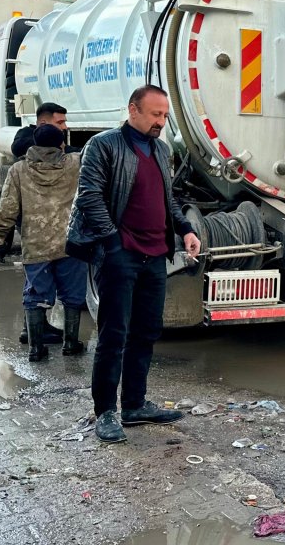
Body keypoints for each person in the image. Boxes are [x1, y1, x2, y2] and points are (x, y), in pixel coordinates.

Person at [66, 85, 201, 444]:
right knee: (114, 335)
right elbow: (90, 196)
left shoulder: (159, 149)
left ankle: (135, 404)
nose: (161, 121)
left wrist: (185, 229)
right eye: (155, 114)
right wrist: (112, 243)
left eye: (164, 115)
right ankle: (105, 411)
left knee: (146, 331)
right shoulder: (104, 145)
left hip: (155, 255)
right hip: (120, 255)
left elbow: (167, 197)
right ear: (133, 110)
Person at [0, 124, 88, 361]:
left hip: (36, 246)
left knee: (35, 296)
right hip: (70, 244)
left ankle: (36, 348)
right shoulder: (75, 164)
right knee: (73, 296)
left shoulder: (19, 170)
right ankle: (70, 344)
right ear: (61, 144)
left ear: (34, 143)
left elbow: (6, 208)